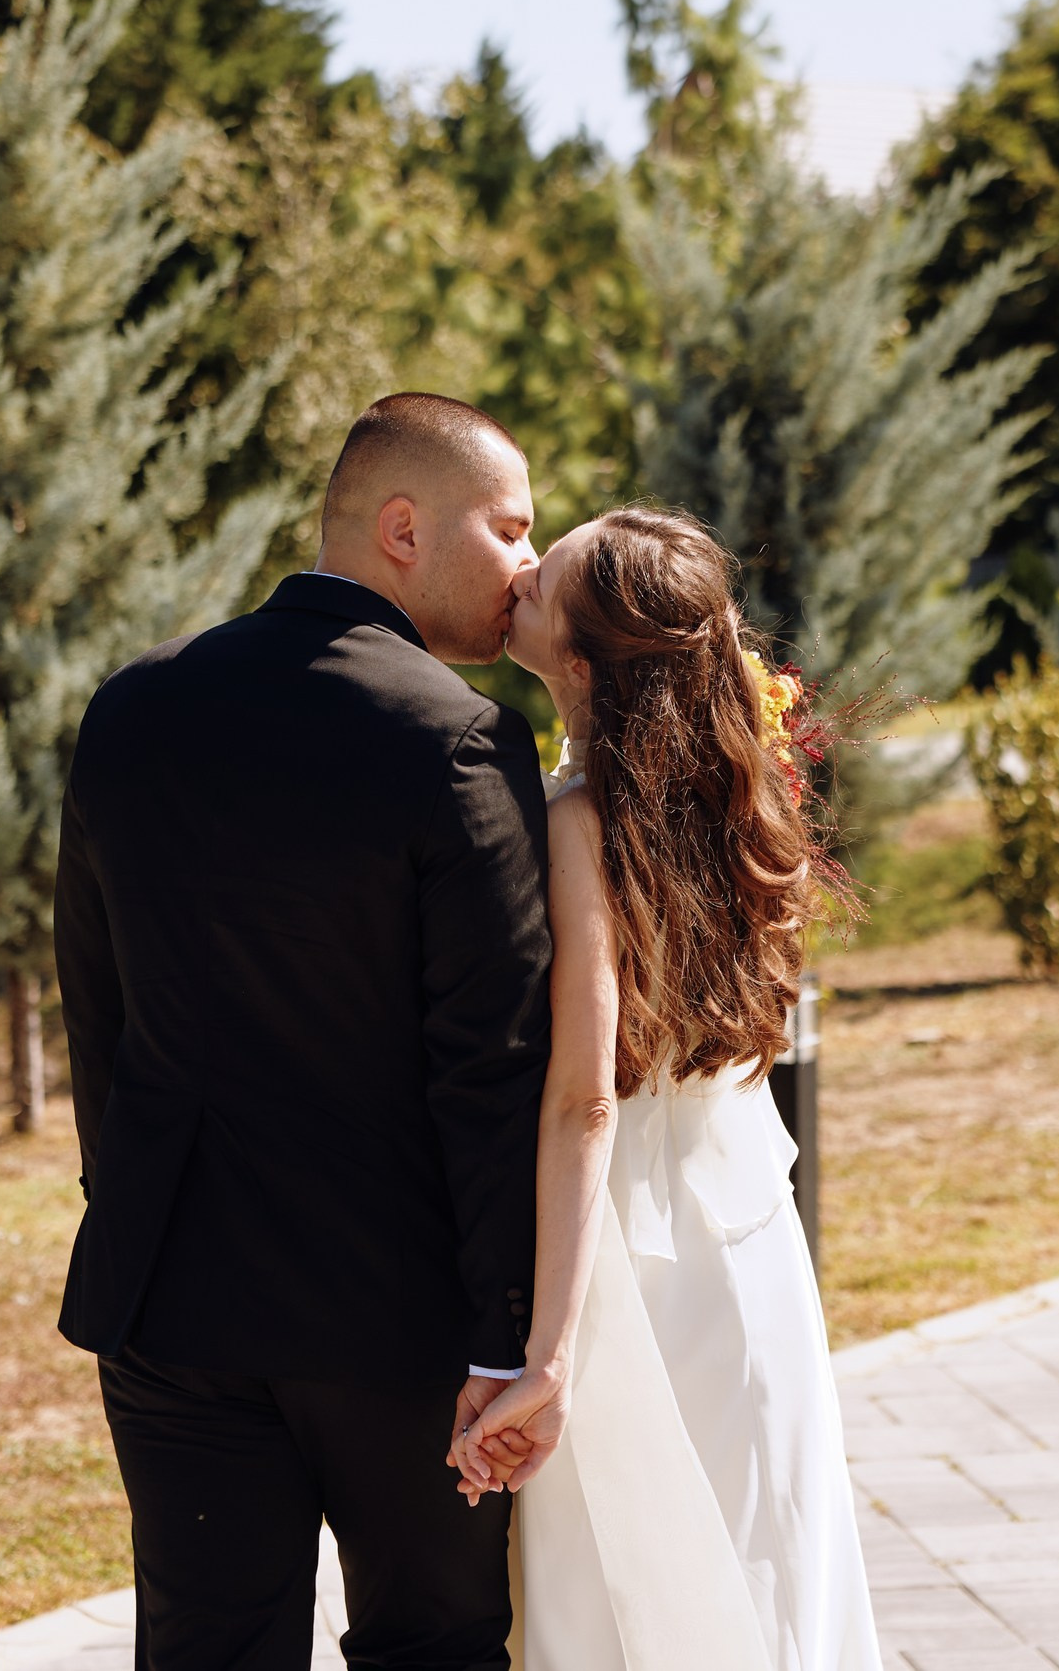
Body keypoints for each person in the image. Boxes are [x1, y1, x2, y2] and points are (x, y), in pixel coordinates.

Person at [54, 393, 549, 1670]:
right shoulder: (458, 741)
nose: (529, 566)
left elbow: (95, 1012)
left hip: (171, 1302)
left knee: (206, 1653)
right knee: (430, 1649)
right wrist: (506, 1336)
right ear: (402, 528)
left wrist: (135, 1212)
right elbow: (490, 1066)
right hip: (397, 1324)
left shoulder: (132, 710)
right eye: (508, 529)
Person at [455, 506, 883, 1670]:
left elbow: (584, 1101)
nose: (526, 569)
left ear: (583, 663)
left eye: (554, 574)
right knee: (764, 1562)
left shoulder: (580, 821)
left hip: (636, 1251)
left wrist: (542, 1362)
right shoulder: (731, 801)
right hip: (743, 1234)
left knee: (635, 1591)